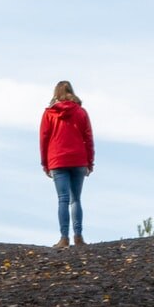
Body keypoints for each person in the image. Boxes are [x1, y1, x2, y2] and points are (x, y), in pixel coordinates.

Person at [39, 80, 94, 248]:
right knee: (75, 199)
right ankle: (78, 237)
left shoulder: (49, 114)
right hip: (78, 159)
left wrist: (45, 163)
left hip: (57, 160)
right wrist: (90, 162)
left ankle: (64, 239)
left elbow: (44, 139)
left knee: (63, 199)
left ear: (56, 93)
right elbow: (88, 138)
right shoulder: (81, 112)